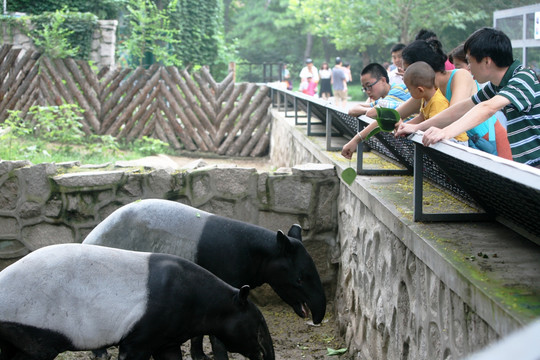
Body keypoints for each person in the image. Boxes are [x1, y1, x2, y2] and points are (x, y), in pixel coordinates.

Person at [397, 28, 540, 167]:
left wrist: (446, 132)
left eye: (470, 61)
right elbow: (462, 107)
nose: (468, 67)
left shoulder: (523, 78)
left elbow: (487, 108)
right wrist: (417, 127)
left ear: (486, 61)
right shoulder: (497, 85)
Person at [394, 38, 514, 158]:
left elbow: (454, 114)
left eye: (407, 70)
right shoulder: (425, 91)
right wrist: (404, 128)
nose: (404, 75)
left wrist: (417, 128)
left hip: (489, 140)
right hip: (464, 147)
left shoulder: (460, 75)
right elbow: (397, 115)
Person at [341, 63, 410, 159]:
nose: (367, 91)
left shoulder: (397, 91)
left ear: (383, 80)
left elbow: (383, 116)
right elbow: (352, 110)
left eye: (369, 86)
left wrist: (355, 140)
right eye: (364, 88)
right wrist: (373, 110)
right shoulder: (382, 100)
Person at [402, 62, 467, 143]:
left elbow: (434, 126)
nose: (409, 92)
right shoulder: (425, 98)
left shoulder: (437, 102)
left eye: (409, 89)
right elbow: (421, 118)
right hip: (439, 135)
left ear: (420, 90)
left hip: (455, 141)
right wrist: (405, 125)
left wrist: (413, 128)